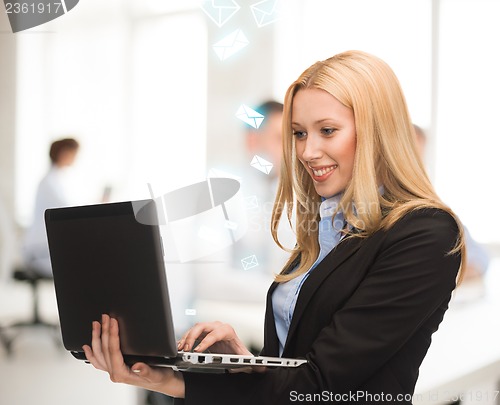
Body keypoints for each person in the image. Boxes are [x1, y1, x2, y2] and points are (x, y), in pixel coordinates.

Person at [82, 51, 465, 404]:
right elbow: (301, 362)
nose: (306, 151)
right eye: (299, 133)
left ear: (378, 131)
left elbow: (319, 384)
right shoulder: (328, 224)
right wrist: (250, 362)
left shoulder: (424, 233)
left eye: (327, 131)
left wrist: (174, 382)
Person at [413, 124, 489, 281]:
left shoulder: (432, 207)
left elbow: (480, 257)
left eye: (419, 156)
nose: (415, 165)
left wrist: (458, 269)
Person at [22, 138, 80, 277]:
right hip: (40, 252)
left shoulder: (56, 180)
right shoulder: (48, 183)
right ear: (64, 153)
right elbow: (68, 214)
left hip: (47, 248)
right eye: (74, 153)